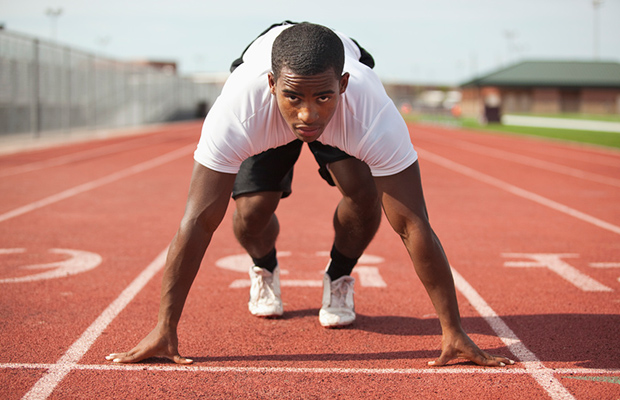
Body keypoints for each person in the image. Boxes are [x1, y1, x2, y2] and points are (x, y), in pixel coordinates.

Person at [106, 22, 513, 367]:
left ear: (343, 85)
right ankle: (264, 268)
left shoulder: (372, 115)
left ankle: (339, 277)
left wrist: (453, 329)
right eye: (294, 97)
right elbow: (197, 221)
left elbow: (411, 223)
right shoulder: (238, 112)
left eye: (323, 97)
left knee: (365, 194)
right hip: (265, 115)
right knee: (250, 213)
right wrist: (164, 327)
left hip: (344, 115)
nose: (307, 115)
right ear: (271, 85)